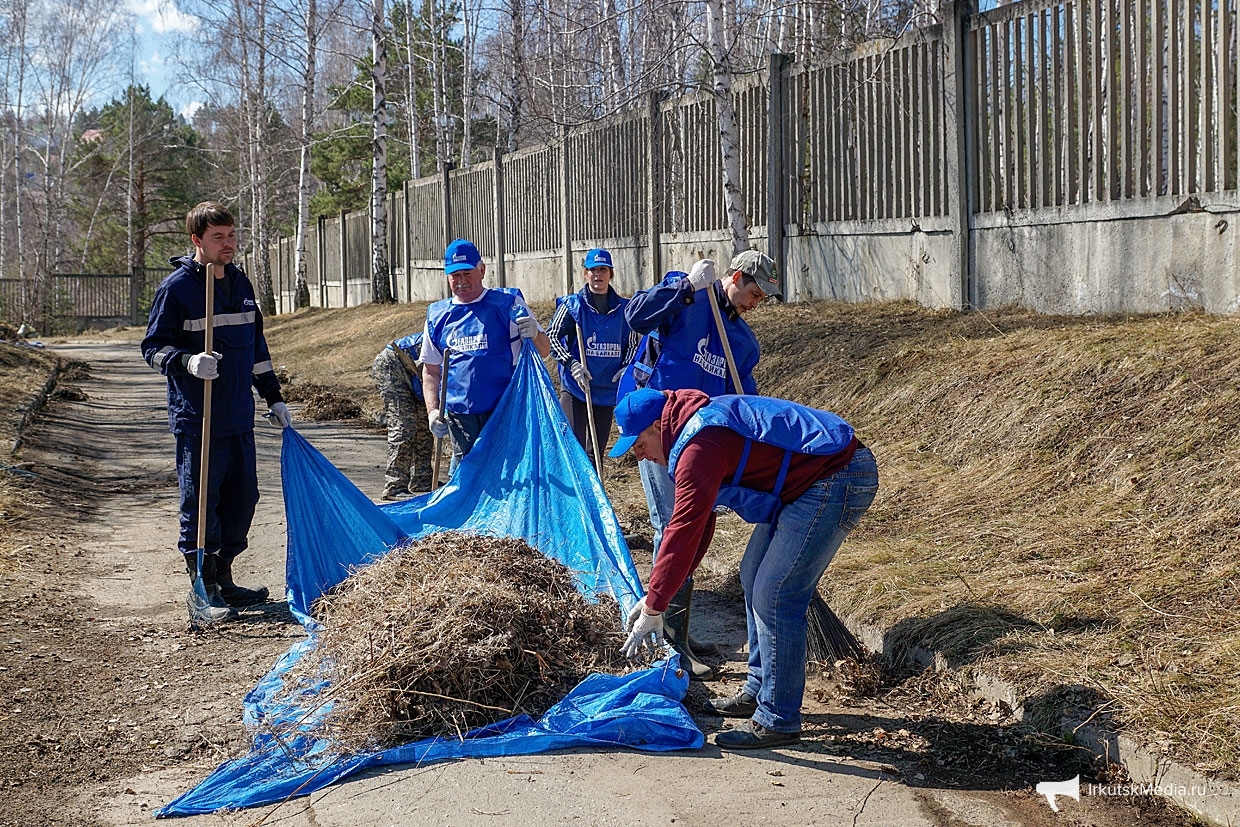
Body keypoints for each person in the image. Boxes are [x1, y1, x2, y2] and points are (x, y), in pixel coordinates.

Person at [609, 387, 878, 750]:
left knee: (776, 594)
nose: (640, 456)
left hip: (836, 476)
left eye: (639, 444)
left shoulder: (698, 449)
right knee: (753, 575)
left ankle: (777, 719)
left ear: (659, 426)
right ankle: (758, 688)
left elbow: (684, 527)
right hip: (806, 484)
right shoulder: (692, 435)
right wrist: (657, 596)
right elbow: (699, 526)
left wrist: (656, 604)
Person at [622, 248, 779, 676]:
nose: (755, 302)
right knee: (672, 525)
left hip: (702, 444)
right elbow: (635, 318)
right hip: (658, 431)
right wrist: (685, 286)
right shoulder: (688, 299)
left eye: (762, 298)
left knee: (693, 522)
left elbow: (743, 396)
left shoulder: (742, 342)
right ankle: (667, 641)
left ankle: (677, 628)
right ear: (735, 276)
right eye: (754, 291)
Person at [141, 202, 291, 627]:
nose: (228, 244)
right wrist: (187, 362)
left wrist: (273, 397)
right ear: (196, 241)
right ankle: (201, 588)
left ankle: (224, 576)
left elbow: (255, 351)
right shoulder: (178, 289)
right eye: (218, 238)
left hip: (238, 415)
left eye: (231, 235)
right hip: (199, 417)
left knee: (242, 499)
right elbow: (152, 349)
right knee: (202, 501)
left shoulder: (240, 283)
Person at [420, 238, 551, 465]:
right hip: (461, 417)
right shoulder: (437, 315)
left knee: (506, 477)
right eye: (455, 276)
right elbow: (431, 371)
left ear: (482, 270)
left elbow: (545, 350)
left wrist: (534, 333)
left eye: (467, 273)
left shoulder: (507, 303)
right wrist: (432, 412)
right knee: (465, 480)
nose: (461, 282)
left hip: (504, 412)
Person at [546, 248, 639, 467]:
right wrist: (572, 363)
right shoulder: (573, 305)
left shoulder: (624, 309)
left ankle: (594, 497)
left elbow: (633, 342)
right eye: (593, 270)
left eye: (603, 270)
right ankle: (573, 498)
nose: (598, 274)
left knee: (595, 452)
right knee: (573, 446)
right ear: (585, 273)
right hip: (577, 387)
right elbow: (552, 336)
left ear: (611, 273)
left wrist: (626, 367)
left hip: (606, 390)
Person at [372, 332, 434, 499]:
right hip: (393, 366)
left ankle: (422, 480)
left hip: (417, 373)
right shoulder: (446, 336)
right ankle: (395, 486)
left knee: (425, 425)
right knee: (404, 425)